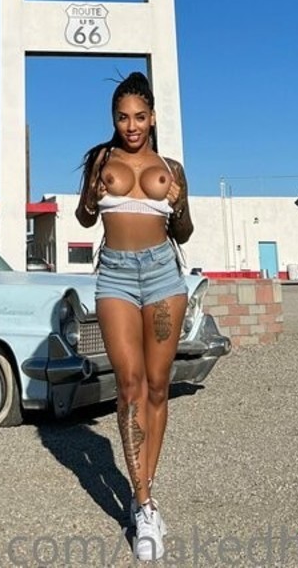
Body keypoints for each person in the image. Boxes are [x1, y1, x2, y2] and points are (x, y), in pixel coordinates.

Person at [76, 71, 193, 562]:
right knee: (129, 385)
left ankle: (149, 484)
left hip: (163, 274)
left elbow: (183, 232)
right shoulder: (102, 160)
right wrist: (90, 194)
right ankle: (143, 504)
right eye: (123, 117)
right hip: (117, 277)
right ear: (114, 119)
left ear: (152, 118)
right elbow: (85, 217)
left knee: (158, 385)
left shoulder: (171, 167)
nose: (131, 126)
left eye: (139, 117)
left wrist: (178, 203)